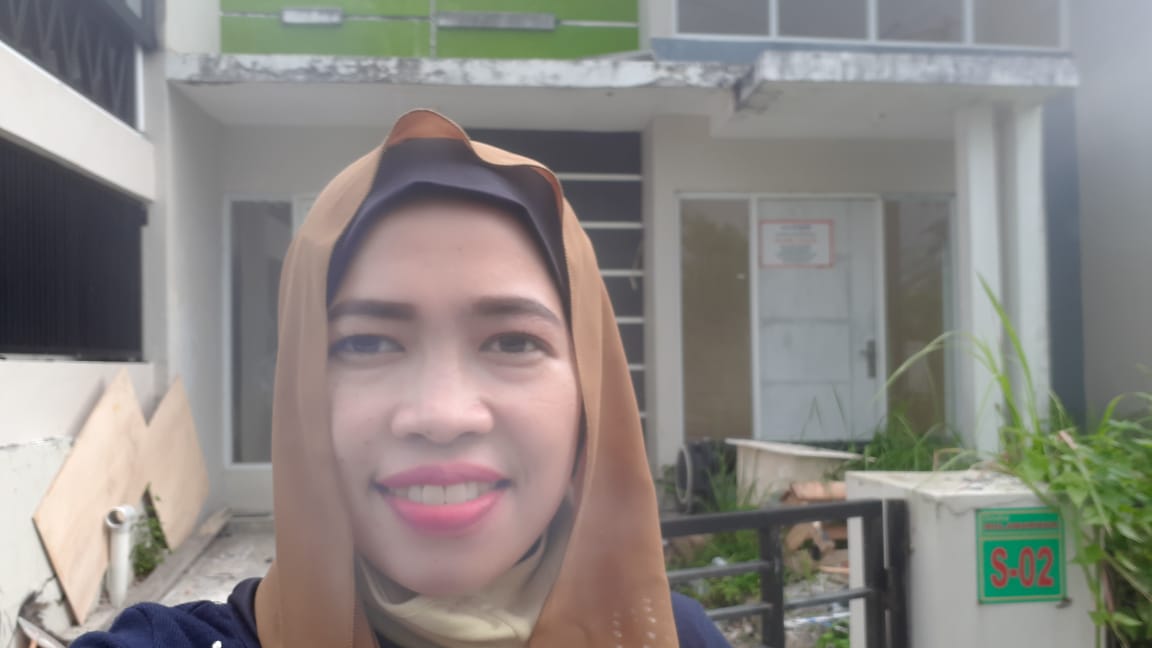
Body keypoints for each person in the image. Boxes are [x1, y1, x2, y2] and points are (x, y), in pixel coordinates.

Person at [74, 110, 729, 647]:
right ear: (302, 389)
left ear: (588, 392)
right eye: (366, 342)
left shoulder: (677, 639)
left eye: (512, 341)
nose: (442, 414)